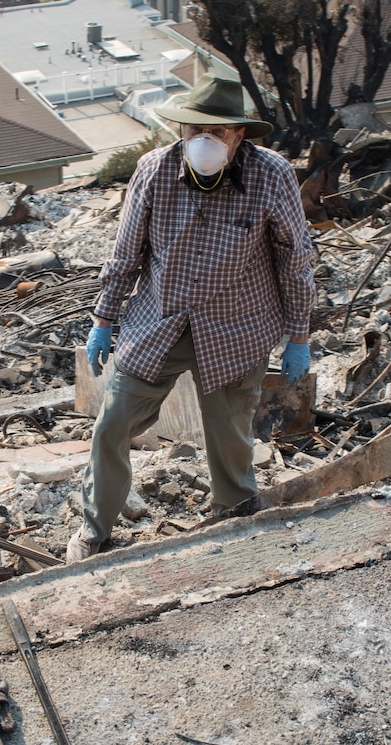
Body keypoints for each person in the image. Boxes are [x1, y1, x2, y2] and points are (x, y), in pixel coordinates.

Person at [71, 67, 315, 563]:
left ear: (239, 134)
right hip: (160, 321)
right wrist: (103, 320)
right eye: (194, 129)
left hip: (238, 324)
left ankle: (234, 515)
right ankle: (95, 529)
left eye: (217, 131)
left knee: (230, 434)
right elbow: (126, 253)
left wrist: (299, 334)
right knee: (113, 423)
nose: (204, 140)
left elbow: (295, 257)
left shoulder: (271, 175)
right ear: (180, 130)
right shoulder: (155, 170)